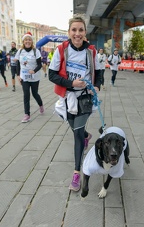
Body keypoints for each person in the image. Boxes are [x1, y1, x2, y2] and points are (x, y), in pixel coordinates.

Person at [49, 16, 101, 192]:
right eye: (74, 30)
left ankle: (77, 173)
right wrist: (71, 84)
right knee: (75, 129)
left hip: (84, 99)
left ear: (85, 32)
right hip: (66, 98)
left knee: (76, 135)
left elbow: (99, 71)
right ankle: (86, 136)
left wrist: (96, 85)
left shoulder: (92, 52)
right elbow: (52, 74)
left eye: (81, 30)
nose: (77, 33)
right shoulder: (61, 50)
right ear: (69, 32)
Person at [15, 32, 44, 123]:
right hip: (24, 77)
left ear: (32, 41)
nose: (28, 41)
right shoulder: (20, 51)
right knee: (26, 95)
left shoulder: (36, 51)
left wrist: (34, 71)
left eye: (29, 40)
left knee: (35, 93)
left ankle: (41, 105)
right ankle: (27, 114)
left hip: (34, 77)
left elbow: (40, 65)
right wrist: (18, 75)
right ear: (23, 41)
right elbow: (17, 64)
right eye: (26, 40)